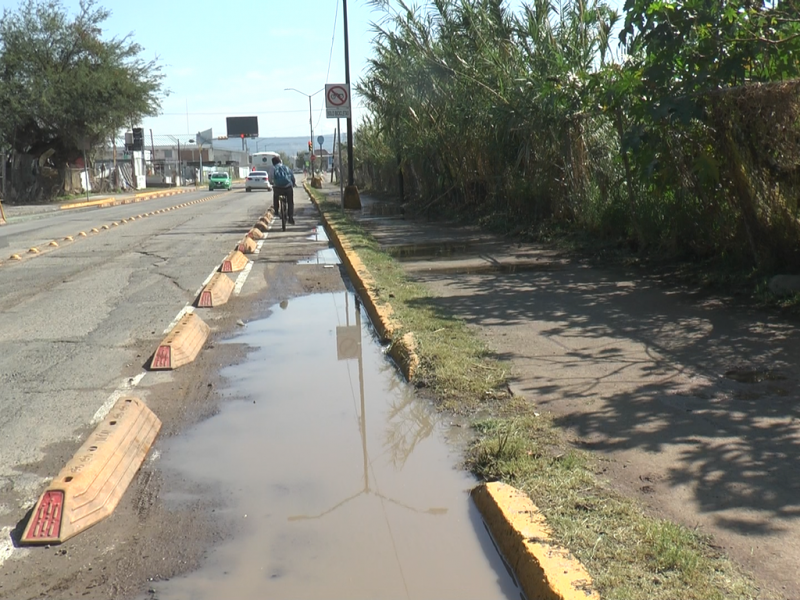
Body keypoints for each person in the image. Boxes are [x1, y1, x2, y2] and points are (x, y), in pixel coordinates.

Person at [271, 156, 296, 224]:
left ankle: (276, 211)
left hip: (278, 188)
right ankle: (290, 217)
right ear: (280, 161)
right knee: (290, 201)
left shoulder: (273, 168)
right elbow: (292, 177)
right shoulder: (286, 167)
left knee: (275, 196)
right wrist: (293, 184)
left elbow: (270, 178)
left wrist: (273, 183)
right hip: (288, 187)